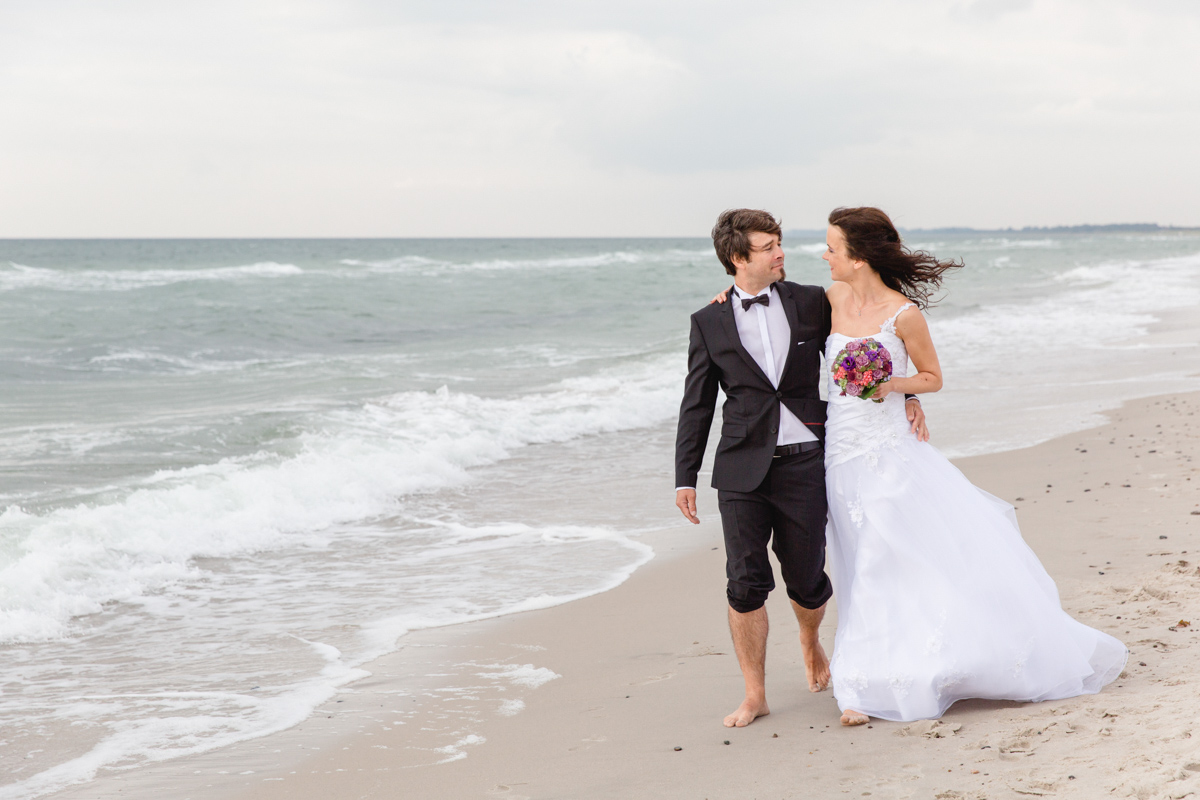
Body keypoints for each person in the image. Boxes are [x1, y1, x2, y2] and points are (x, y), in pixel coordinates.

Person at [816, 206, 1127, 725]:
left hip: (889, 450)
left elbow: (932, 376)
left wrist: (893, 386)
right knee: (853, 559)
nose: (824, 255)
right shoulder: (828, 299)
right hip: (840, 453)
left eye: (831, 247)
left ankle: (862, 684)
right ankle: (875, 664)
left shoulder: (903, 314)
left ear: (859, 256)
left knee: (881, 556)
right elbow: (776, 316)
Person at [673, 209, 928, 728]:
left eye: (779, 243)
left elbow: (874, 328)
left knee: (808, 580)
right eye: (768, 247)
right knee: (744, 582)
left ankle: (810, 638)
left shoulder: (814, 301)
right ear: (739, 258)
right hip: (740, 470)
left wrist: (904, 394)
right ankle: (755, 693)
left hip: (808, 461)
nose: (780, 253)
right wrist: (685, 476)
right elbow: (696, 404)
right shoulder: (709, 320)